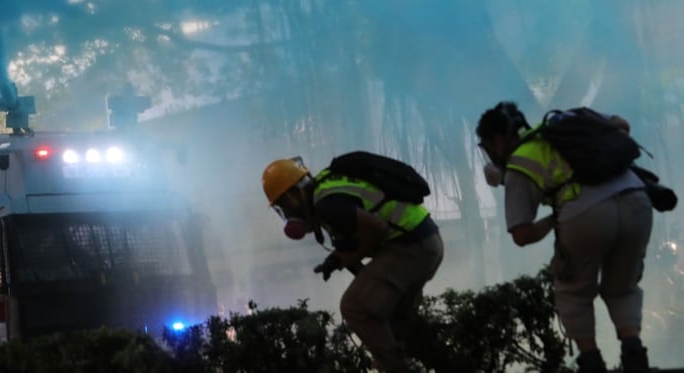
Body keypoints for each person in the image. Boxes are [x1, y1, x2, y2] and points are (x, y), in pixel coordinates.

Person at [476, 102, 653, 373]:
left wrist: (554, 217)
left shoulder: (518, 165)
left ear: (498, 140)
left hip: (586, 214)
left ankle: (591, 362)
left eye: (486, 145)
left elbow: (522, 234)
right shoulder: (563, 122)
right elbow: (622, 125)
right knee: (623, 286)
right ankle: (634, 355)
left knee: (573, 291)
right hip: (637, 199)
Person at [262, 155, 444, 372]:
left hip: (412, 245)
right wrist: (339, 258)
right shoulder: (327, 189)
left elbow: (377, 229)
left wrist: (353, 256)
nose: (288, 215)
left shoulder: (327, 206)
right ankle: (442, 361)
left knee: (354, 307)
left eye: (285, 207)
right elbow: (357, 235)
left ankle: (397, 367)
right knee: (393, 318)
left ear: (294, 196)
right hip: (425, 241)